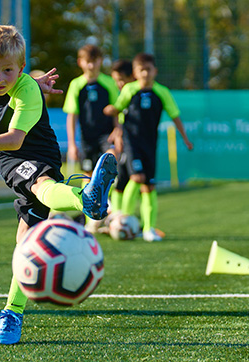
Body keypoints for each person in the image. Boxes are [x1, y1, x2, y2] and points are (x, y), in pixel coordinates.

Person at [0, 22, 117, 345]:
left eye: (9, 71)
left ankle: (84, 200)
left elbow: (16, 140)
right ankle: (13, 315)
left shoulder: (26, 90)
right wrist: (33, 79)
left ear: (21, 68)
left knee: (39, 184)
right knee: (25, 244)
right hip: (6, 158)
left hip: (29, 149)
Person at [104, 53, 193, 242]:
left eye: (148, 69)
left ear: (155, 71)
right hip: (131, 142)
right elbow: (119, 108)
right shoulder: (129, 90)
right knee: (136, 177)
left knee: (149, 186)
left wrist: (185, 138)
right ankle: (122, 219)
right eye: (141, 70)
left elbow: (175, 115)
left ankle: (148, 229)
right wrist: (112, 110)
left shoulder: (162, 92)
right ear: (135, 73)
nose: (145, 73)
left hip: (150, 144)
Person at [63, 44, 120, 232]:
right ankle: (90, 216)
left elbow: (116, 111)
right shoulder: (76, 85)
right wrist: (72, 144)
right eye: (88, 61)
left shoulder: (108, 83)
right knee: (87, 175)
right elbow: (72, 116)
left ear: (100, 61)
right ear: (81, 62)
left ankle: (107, 203)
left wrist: (117, 130)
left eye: (95, 61)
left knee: (111, 160)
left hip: (106, 135)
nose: (91, 65)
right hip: (87, 139)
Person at [107, 59, 134, 218]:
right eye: (116, 80)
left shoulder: (135, 92)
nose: (119, 84)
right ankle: (116, 217)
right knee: (119, 181)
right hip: (125, 143)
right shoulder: (124, 93)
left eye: (121, 80)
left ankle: (127, 216)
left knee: (136, 179)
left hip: (135, 144)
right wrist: (118, 130)